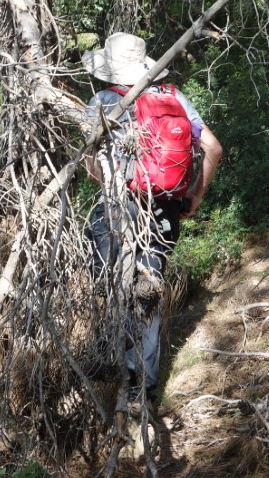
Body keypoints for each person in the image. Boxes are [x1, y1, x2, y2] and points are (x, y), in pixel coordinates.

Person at [83, 32, 223, 413]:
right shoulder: (173, 97)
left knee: (109, 280)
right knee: (147, 294)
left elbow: (92, 168)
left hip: (118, 210)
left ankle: (113, 358)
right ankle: (142, 392)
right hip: (165, 210)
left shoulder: (102, 102)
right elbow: (213, 147)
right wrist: (195, 194)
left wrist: (112, 178)